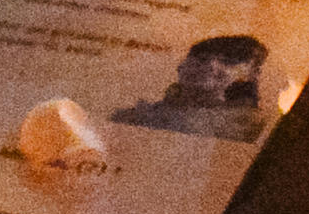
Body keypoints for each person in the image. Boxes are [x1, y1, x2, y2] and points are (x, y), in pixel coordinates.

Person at [111, 34, 273, 142]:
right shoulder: (132, 117)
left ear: (251, 75)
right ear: (181, 66)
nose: (210, 66)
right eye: (201, 59)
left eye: (228, 62)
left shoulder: (249, 128)